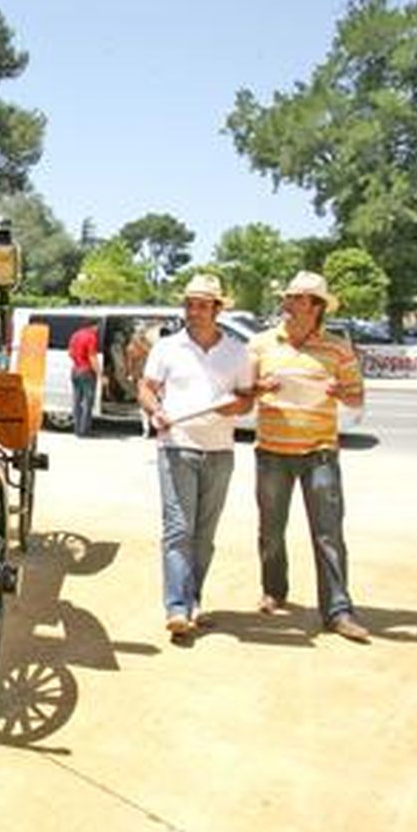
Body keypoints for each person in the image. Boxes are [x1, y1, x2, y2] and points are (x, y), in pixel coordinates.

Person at [249, 270, 371, 643]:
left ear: (316, 308)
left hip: (320, 452)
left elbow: (357, 398)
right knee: (271, 530)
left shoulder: (338, 349)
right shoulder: (260, 344)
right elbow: (241, 392)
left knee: (329, 534)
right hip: (271, 450)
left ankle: (337, 611)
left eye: (298, 299)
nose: (288, 304)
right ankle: (274, 591)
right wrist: (257, 387)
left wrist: (339, 392)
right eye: (288, 298)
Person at [138, 274, 255, 642]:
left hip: (220, 451)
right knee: (178, 529)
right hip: (177, 444)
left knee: (204, 535)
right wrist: (155, 411)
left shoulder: (238, 351)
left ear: (218, 309)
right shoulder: (167, 348)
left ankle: (192, 600)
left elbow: (247, 397)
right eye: (189, 304)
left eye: (202, 305)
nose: (194, 311)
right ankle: (175, 607)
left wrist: (236, 405)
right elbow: (146, 387)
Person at [66, 321, 102, 436]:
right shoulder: (91, 337)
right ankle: (84, 431)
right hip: (87, 372)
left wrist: (78, 361)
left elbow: (70, 353)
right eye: (97, 327)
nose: (98, 330)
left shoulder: (75, 335)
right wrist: (100, 374)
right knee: (88, 402)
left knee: (77, 401)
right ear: (93, 326)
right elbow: (92, 357)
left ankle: (77, 429)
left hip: (75, 370)